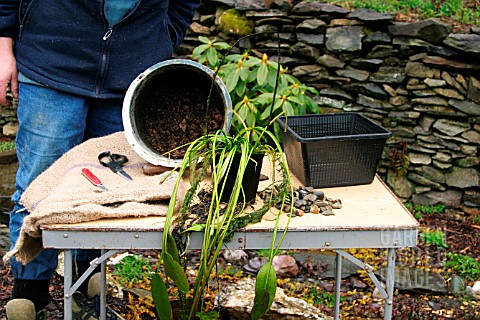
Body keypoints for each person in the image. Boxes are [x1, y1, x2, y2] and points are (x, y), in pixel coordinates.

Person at [0, 1, 202, 319]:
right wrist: (3, 43)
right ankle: (30, 293)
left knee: (109, 184)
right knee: (39, 183)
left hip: (129, 72)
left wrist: (164, 36)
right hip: (50, 61)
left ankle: (89, 274)